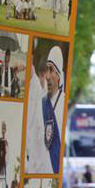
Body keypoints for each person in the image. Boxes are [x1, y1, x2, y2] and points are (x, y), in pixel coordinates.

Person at [26, 45, 64, 174]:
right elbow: (34, 146)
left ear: (58, 74)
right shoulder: (40, 104)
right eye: (46, 71)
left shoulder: (64, 104)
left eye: (51, 70)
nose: (47, 76)